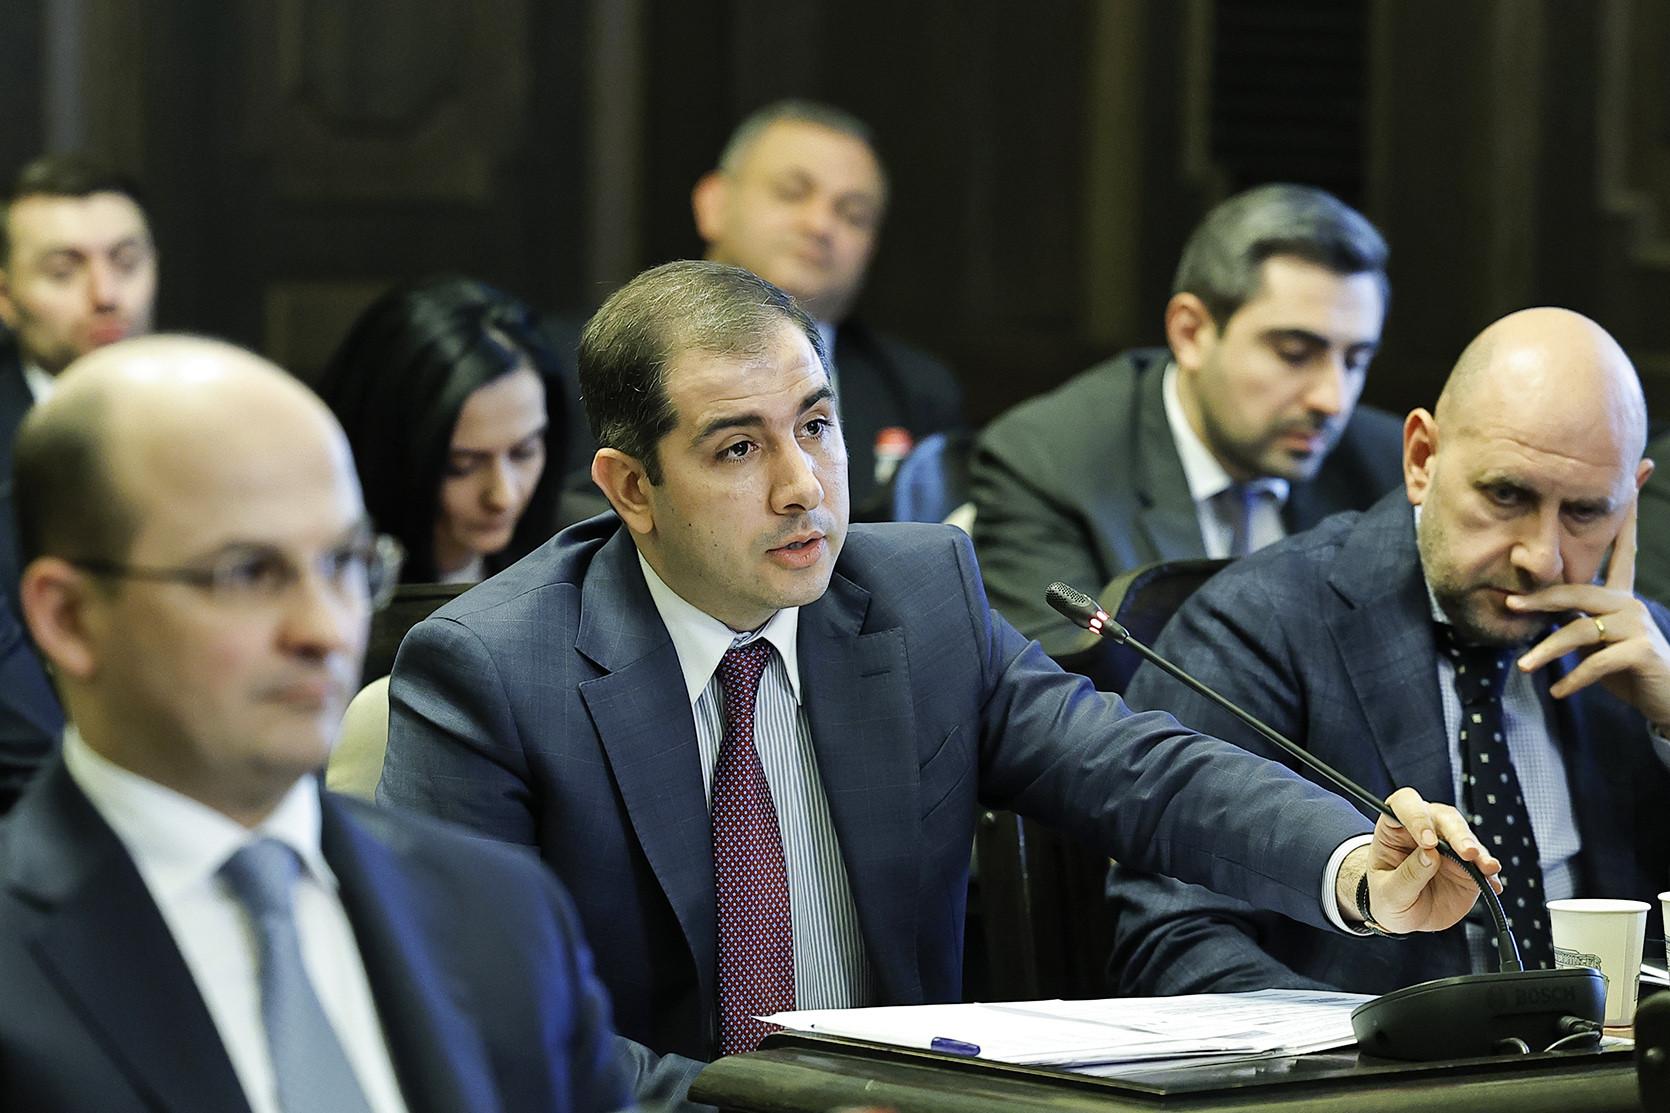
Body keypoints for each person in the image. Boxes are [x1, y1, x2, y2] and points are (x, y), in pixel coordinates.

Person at [380, 260, 1497, 1096]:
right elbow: (486, 1020)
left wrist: (1354, 862)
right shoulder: (491, 672)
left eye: (816, 425)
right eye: (738, 448)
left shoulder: (917, 597)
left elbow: (1136, 770)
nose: (803, 486)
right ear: (630, 487)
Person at [0, 335, 633, 1112]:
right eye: (247, 573)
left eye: (344, 564)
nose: (326, 629)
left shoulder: (502, 913)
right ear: (68, 616)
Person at [1109, 307, 1670, 997]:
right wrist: (1369, 1048)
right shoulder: (1261, 623)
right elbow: (1172, 936)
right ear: (1421, 459)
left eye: (1585, 511)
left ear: (1631, 496)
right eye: (1505, 494)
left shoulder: (1642, 657)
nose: (1542, 557)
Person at [970, 183, 1403, 655]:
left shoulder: (1391, 466)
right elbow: (1055, 685)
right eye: (1294, 354)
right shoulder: (1049, 462)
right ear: (1190, 332)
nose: (1333, 400)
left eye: (1356, 361)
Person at [692, 99, 963, 516]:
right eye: (792, 193)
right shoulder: (600, 360)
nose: (820, 225)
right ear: (714, 204)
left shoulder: (918, 391)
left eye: (853, 215)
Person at [316, 275, 573, 584]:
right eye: (460, 466)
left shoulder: (583, 553)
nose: (502, 496)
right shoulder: (324, 577)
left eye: (524, 452)